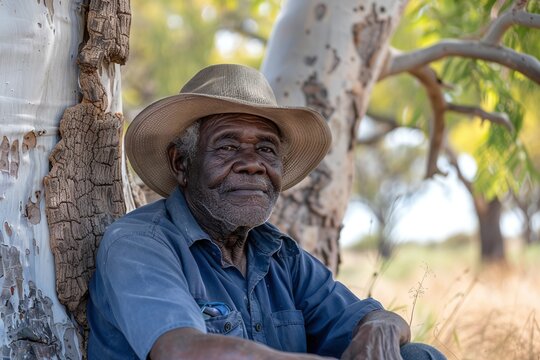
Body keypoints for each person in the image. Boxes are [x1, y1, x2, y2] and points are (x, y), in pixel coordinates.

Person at [87, 64, 446, 360]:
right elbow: (183, 351)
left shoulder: (279, 255)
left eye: (267, 149)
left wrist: (379, 326)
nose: (253, 165)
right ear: (182, 163)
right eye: (227, 146)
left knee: (417, 356)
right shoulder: (139, 243)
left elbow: (366, 319)